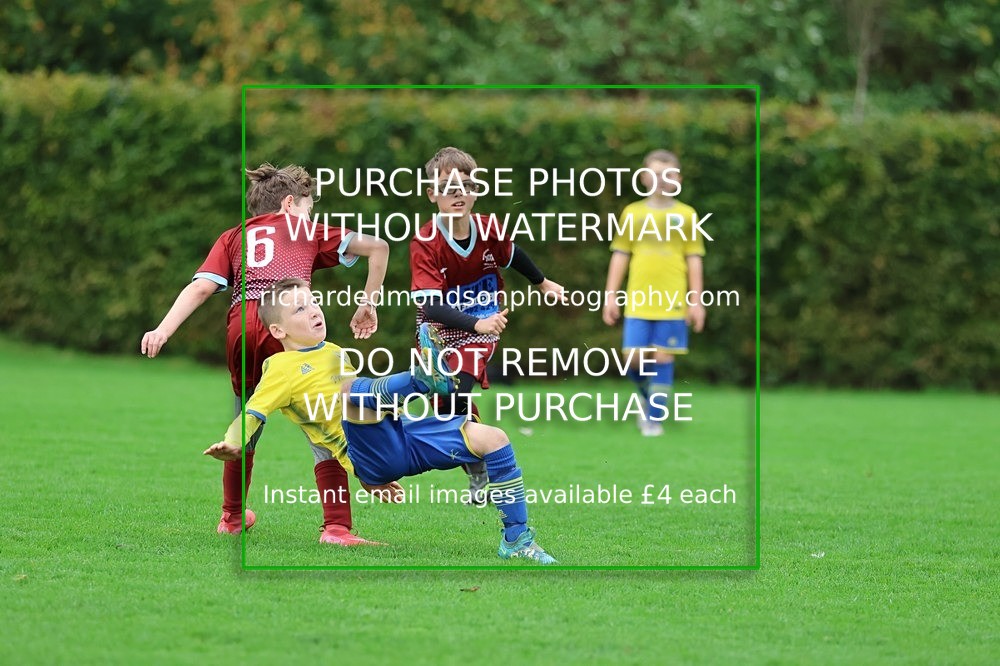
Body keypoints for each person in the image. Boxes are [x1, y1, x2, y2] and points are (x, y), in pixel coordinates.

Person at [204, 279, 557, 564]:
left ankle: (517, 540)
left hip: (395, 436)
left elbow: (370, 407)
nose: (314, 311)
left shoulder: (334, 351)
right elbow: (253, 411)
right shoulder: (279, 369)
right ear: (278, 331)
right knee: (352, 394)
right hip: (367, 455)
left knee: (494, 437)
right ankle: (421, 379)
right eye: (300, 308)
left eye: (313, 302)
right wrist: (234, 441)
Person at [141, 163, 389, 544]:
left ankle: (233, 517)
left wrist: (163, 329)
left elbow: (201, 289)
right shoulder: (304, 229)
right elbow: (378, 247)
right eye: (310, 207)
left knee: (248, 419)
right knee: (324, 420)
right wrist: (368, 303)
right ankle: (337, 527)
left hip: (242, 327)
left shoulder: (233, 236)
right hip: (289, 323)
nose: (312, 216)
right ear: (291, 205)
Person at [410, 146, 564, 503]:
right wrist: (471, 324)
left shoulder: (488, 227)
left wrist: (542, 282)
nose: (458, 192)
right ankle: (477, 462)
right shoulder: (425, 241)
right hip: (437, 325)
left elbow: (513, 255)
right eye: (447, 185)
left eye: (466, 184)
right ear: (432, 194)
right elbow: (431, 306)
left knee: (458, 387)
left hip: (484, 320)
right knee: (446, 407)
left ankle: (491, 466)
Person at [602, 149, 706, 436]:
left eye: (668, 174)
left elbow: (694, 259)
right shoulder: (633, 213)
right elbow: (621, 255)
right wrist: (610, 295)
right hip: (637, 300)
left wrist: (696, 301)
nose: (661, 180)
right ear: (644, 178)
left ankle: (653, 418)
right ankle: (647, 400)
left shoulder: (687, 215)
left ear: (678, 179)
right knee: (633, 359)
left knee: (662, 357)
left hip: (672, 301)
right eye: (656, 174)